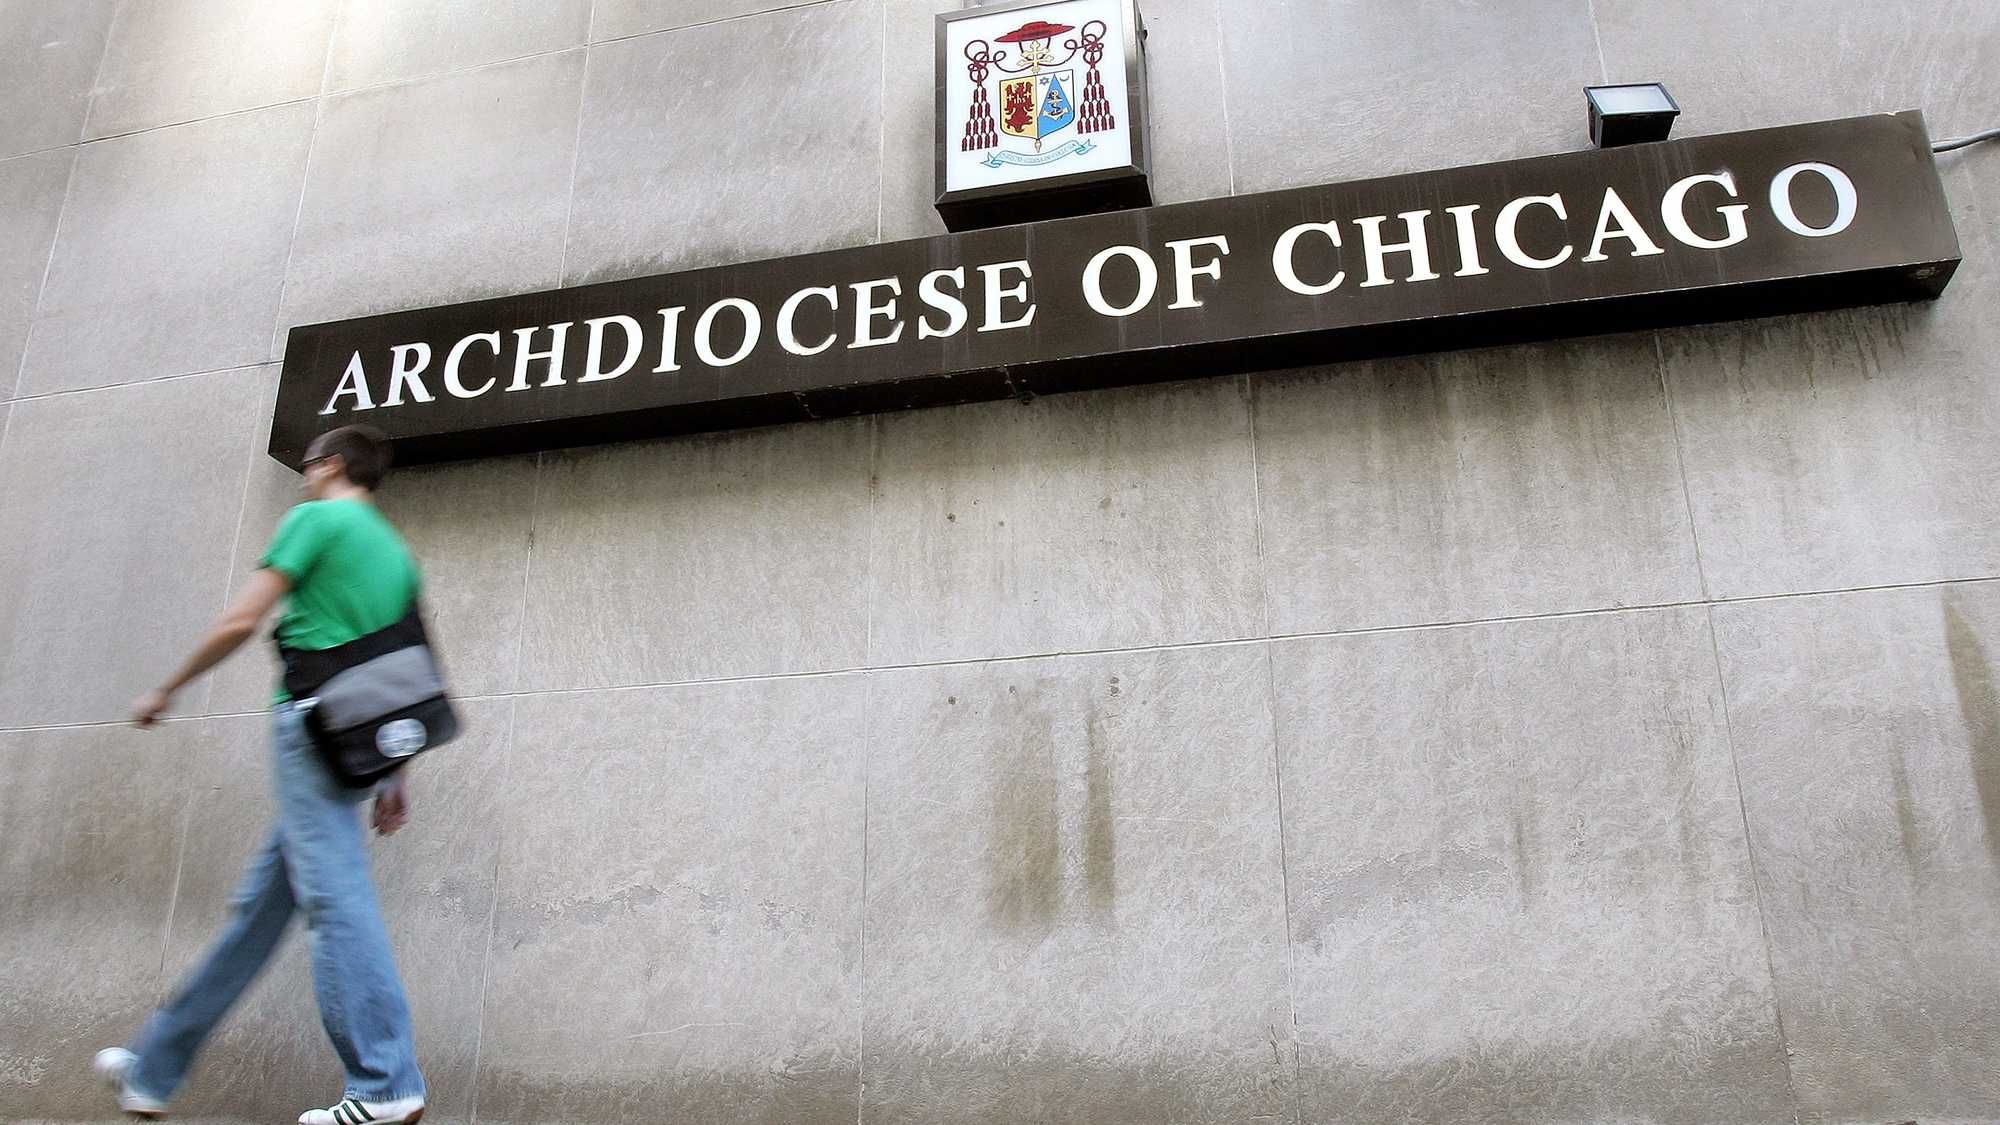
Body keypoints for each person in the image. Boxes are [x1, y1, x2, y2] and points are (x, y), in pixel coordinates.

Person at [97, 425, 428, 1125]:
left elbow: (242, 619)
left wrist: (167, 687)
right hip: (359, 740)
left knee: (336, 898)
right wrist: (394, 774)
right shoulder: (395, 553)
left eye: (308, 465)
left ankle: (385, 1083)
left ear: (330, 465)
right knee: (260, 911)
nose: (304, 478)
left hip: (309, 727)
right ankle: (153, 1070)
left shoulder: (315, 520)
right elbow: (406, 670)